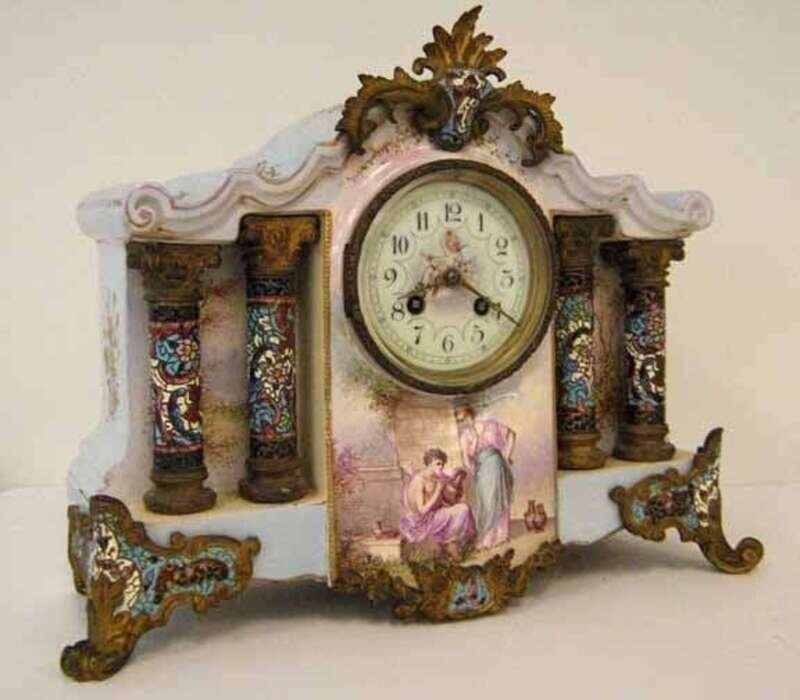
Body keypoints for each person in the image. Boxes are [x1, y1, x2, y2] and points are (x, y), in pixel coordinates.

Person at [455, 405, 516, 549]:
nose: (464, 422)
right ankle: (487, 537)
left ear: (470, 415)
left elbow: (512, 434)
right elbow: (466, 458)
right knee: (487, 501)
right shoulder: (465, 435)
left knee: (499, 498)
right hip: (482, 469)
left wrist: (507, 456)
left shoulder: (491, 425)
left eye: (464, 418)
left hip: (497, 464)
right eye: (460, 421)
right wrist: (473, 470)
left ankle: (501, 535)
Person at [399, 448, 476, 559]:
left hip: (436, 514)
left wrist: (454, 486)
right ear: (430, 463)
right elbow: (422, 510)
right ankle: (449, 543)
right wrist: (438, 491)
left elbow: (447, 500)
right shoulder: (420, 480)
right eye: (438, 464)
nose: (441, 467)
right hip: (424, 520)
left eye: (442, 464)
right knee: (463, 509)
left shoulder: (436, 477)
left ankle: (451, 543)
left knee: (464, 508)